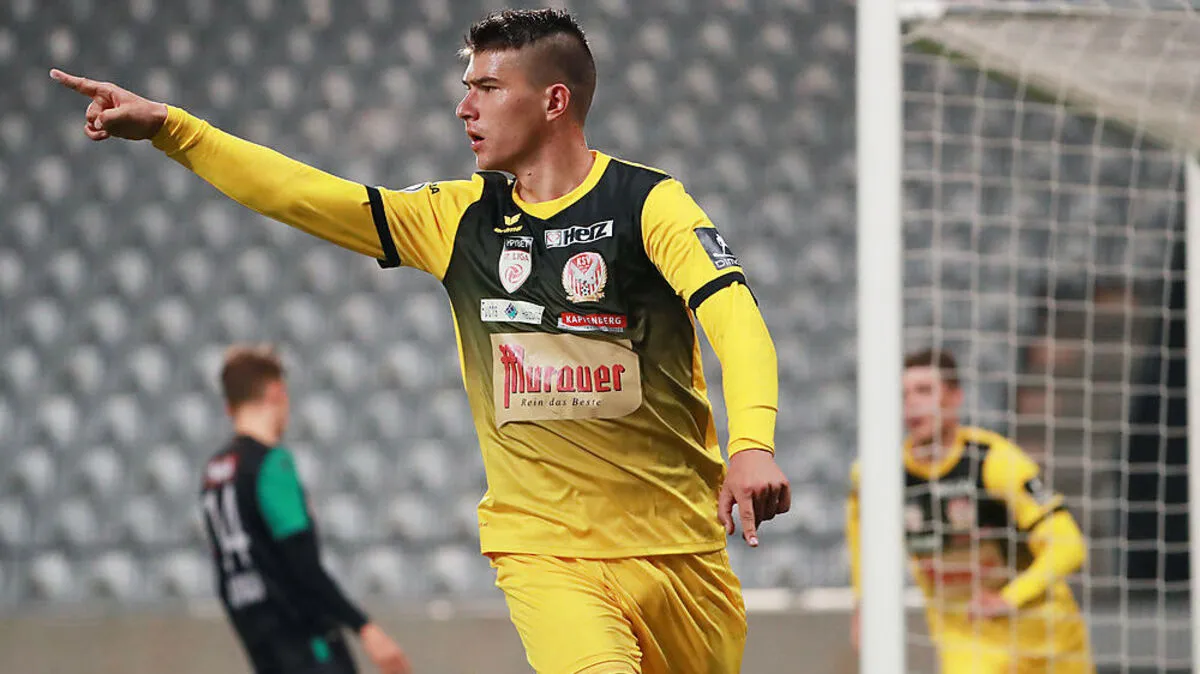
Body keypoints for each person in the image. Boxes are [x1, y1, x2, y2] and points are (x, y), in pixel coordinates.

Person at [51, 7, 790, 673]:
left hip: (683, 550)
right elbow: (305, 195)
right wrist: (174, 129)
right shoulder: (455, 219)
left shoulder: (648, 203)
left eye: (488, 88)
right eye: (467, 88)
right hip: (545, 551)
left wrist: (752, 442)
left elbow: (735, 316)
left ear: (554, 101)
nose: (464, 107)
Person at [846, 348, 1094, 674]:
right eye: (903, 394)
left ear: (955, 397)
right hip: (968, 643)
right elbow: (861, 541)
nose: (912, 403)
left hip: (1048, 640)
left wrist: (1009, 598)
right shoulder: (877, 476)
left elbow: (1069, 545)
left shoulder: (993, 461)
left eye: (924, 390)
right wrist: (864, 604)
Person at [200, 344, 410, 674]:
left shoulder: (215, 473)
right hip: (306, 641)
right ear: (276, 392)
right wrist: (365, 627)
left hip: (260, 643)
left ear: (229, 407)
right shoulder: (271, 464)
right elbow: (303, 566)